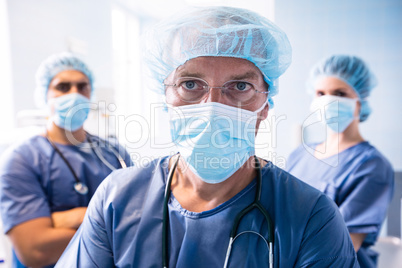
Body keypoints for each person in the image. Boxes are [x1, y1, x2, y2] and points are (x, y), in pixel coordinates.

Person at [56, 7, 359, 267]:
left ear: (266, 105)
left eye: (239, 87)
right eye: (190, 84)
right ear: (165, 97)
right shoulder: (117, 199)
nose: (213, 107)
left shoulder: (310, 217)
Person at [0, 53, 133, 268]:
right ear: (45, 95)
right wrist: (108, 224)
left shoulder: (115, 154)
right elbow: (35, 251)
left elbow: (138, 223)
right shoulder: (21, 159)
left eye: (82, 87)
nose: (75, 94)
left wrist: (70, 219)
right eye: (63, 87)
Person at [286, 55, 394, 267]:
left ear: (359, 102)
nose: (328, 101)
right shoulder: (299, 155)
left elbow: (342, 245)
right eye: (320, 93)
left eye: (340, 93)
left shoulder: (372, 165)